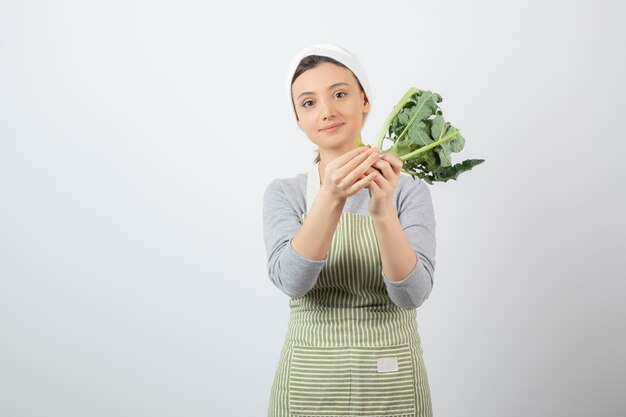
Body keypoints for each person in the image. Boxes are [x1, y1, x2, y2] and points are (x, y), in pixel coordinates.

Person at [262, 43, 436, 417]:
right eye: (308, 103)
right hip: (311, 384)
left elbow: (412, 294)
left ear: (365, 101)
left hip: (393, 384)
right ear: (297, 119)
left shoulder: (407, 190)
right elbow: (292, 281)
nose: (326, 111)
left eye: (339, 94)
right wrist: (331, 196)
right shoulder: (286, 194)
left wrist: (382, 210)